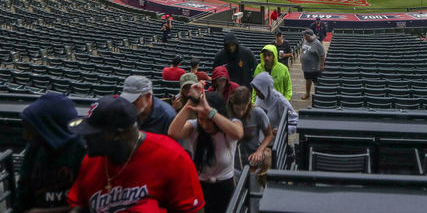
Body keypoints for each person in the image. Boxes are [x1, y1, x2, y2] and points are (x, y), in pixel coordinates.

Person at [67, 95, 205, 213]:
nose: (84, 138)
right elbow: (79, 205)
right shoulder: (91, 160)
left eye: (92, 134)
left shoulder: (173, 158)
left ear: (117, 135)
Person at [168, 85, 243, 213]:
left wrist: (210, 112)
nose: (205, 125)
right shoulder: (194, 127)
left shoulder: (230, 125)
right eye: (201, 119)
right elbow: (173, 132)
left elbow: (238, 133)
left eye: (209, 120)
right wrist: (191, 101)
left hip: (224, 185)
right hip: (200, 185)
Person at [15, 92, 85, 213]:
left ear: (49, 128)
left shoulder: (83, 151)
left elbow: (87, 204)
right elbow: (23, 196)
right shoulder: (33, 149)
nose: (25, 135)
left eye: (30, 129)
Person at [228, 87, 273, 183]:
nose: (241, 112)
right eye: (237, 109)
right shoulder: (227, 115)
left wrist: (259, 151)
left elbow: (269, 135)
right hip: (233, 158)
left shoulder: (257, 113)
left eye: (243, 109)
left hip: (252, 155)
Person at [300, 29, 326, 100]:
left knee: (316, 82)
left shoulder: (317, 43)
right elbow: (303, 49)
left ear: (309, 36)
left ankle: (317, 95)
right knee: (308, 80)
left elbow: (322, 55)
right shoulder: (305, 41)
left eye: (305, 36)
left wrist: (322, 65)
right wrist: (301, 56)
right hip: (306, 67)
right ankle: (307, 94)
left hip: (314, 67)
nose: (304, 37)